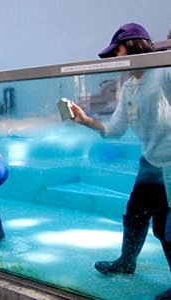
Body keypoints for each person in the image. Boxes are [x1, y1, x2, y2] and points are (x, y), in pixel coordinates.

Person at [69, 23, 171, 300]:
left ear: (135, 47)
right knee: (135, 213)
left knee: (166, 226)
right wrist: (84, 120)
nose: (115, 57)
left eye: (118, 50)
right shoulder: (128, 87)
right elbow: (115, 130)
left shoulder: (164, 71)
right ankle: (127, 262)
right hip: (150, 161)